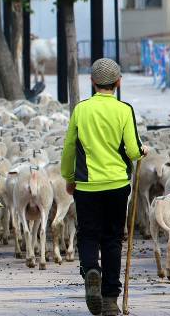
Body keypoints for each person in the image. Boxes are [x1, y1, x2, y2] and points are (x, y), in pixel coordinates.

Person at [60, 58, 149, 316]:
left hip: (87, 186)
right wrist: (143, 150)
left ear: (92, 82)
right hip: (117, 185)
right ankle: (110, 299)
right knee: (112, 239)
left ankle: (91, 270)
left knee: (88, 235)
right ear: (118, 82)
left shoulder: (81, 110)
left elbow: (68, 148)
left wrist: (68, 177)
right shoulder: (124, 110)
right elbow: (132, 150)